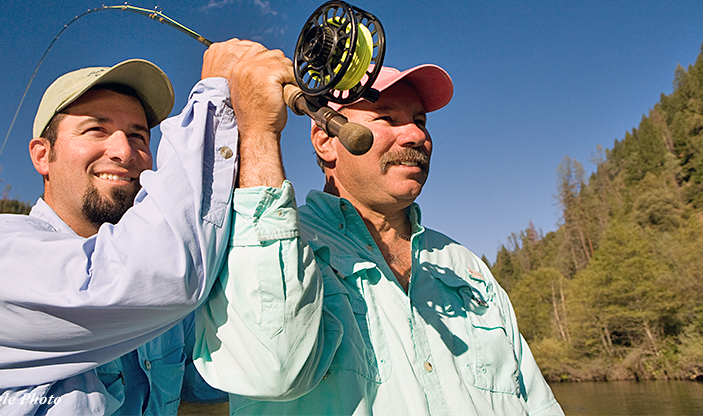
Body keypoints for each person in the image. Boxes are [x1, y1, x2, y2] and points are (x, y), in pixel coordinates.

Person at [0, 39, 326, 414]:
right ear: (41, 156)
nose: (125, 151)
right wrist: (217, 95)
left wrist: (259, 137)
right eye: (96, 129)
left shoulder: (165, 301)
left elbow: (220, 383)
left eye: (139, 135)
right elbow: (159, 274)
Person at [207, 63, 565, 415]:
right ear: (326, 141)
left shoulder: (466, 267)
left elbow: (537, 403)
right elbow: (272, 370)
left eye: (420, 121)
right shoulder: (262, 246)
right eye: (387, 118)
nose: (415, 136)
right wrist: (259, 132)